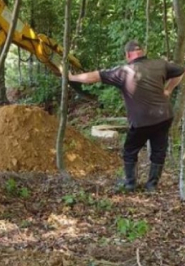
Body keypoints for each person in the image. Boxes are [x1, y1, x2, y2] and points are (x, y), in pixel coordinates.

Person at [69, 40, 184, 192]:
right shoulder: (160, 64)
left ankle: (130, 184)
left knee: (130, 151)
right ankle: (152, 186)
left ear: (128, 54)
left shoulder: (123, 71)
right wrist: (168, 90)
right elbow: (181, 70)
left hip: (141, 121)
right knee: (159, 151)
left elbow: (93, 77)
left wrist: (72, 77)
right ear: (143, 52)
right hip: (164, 117)